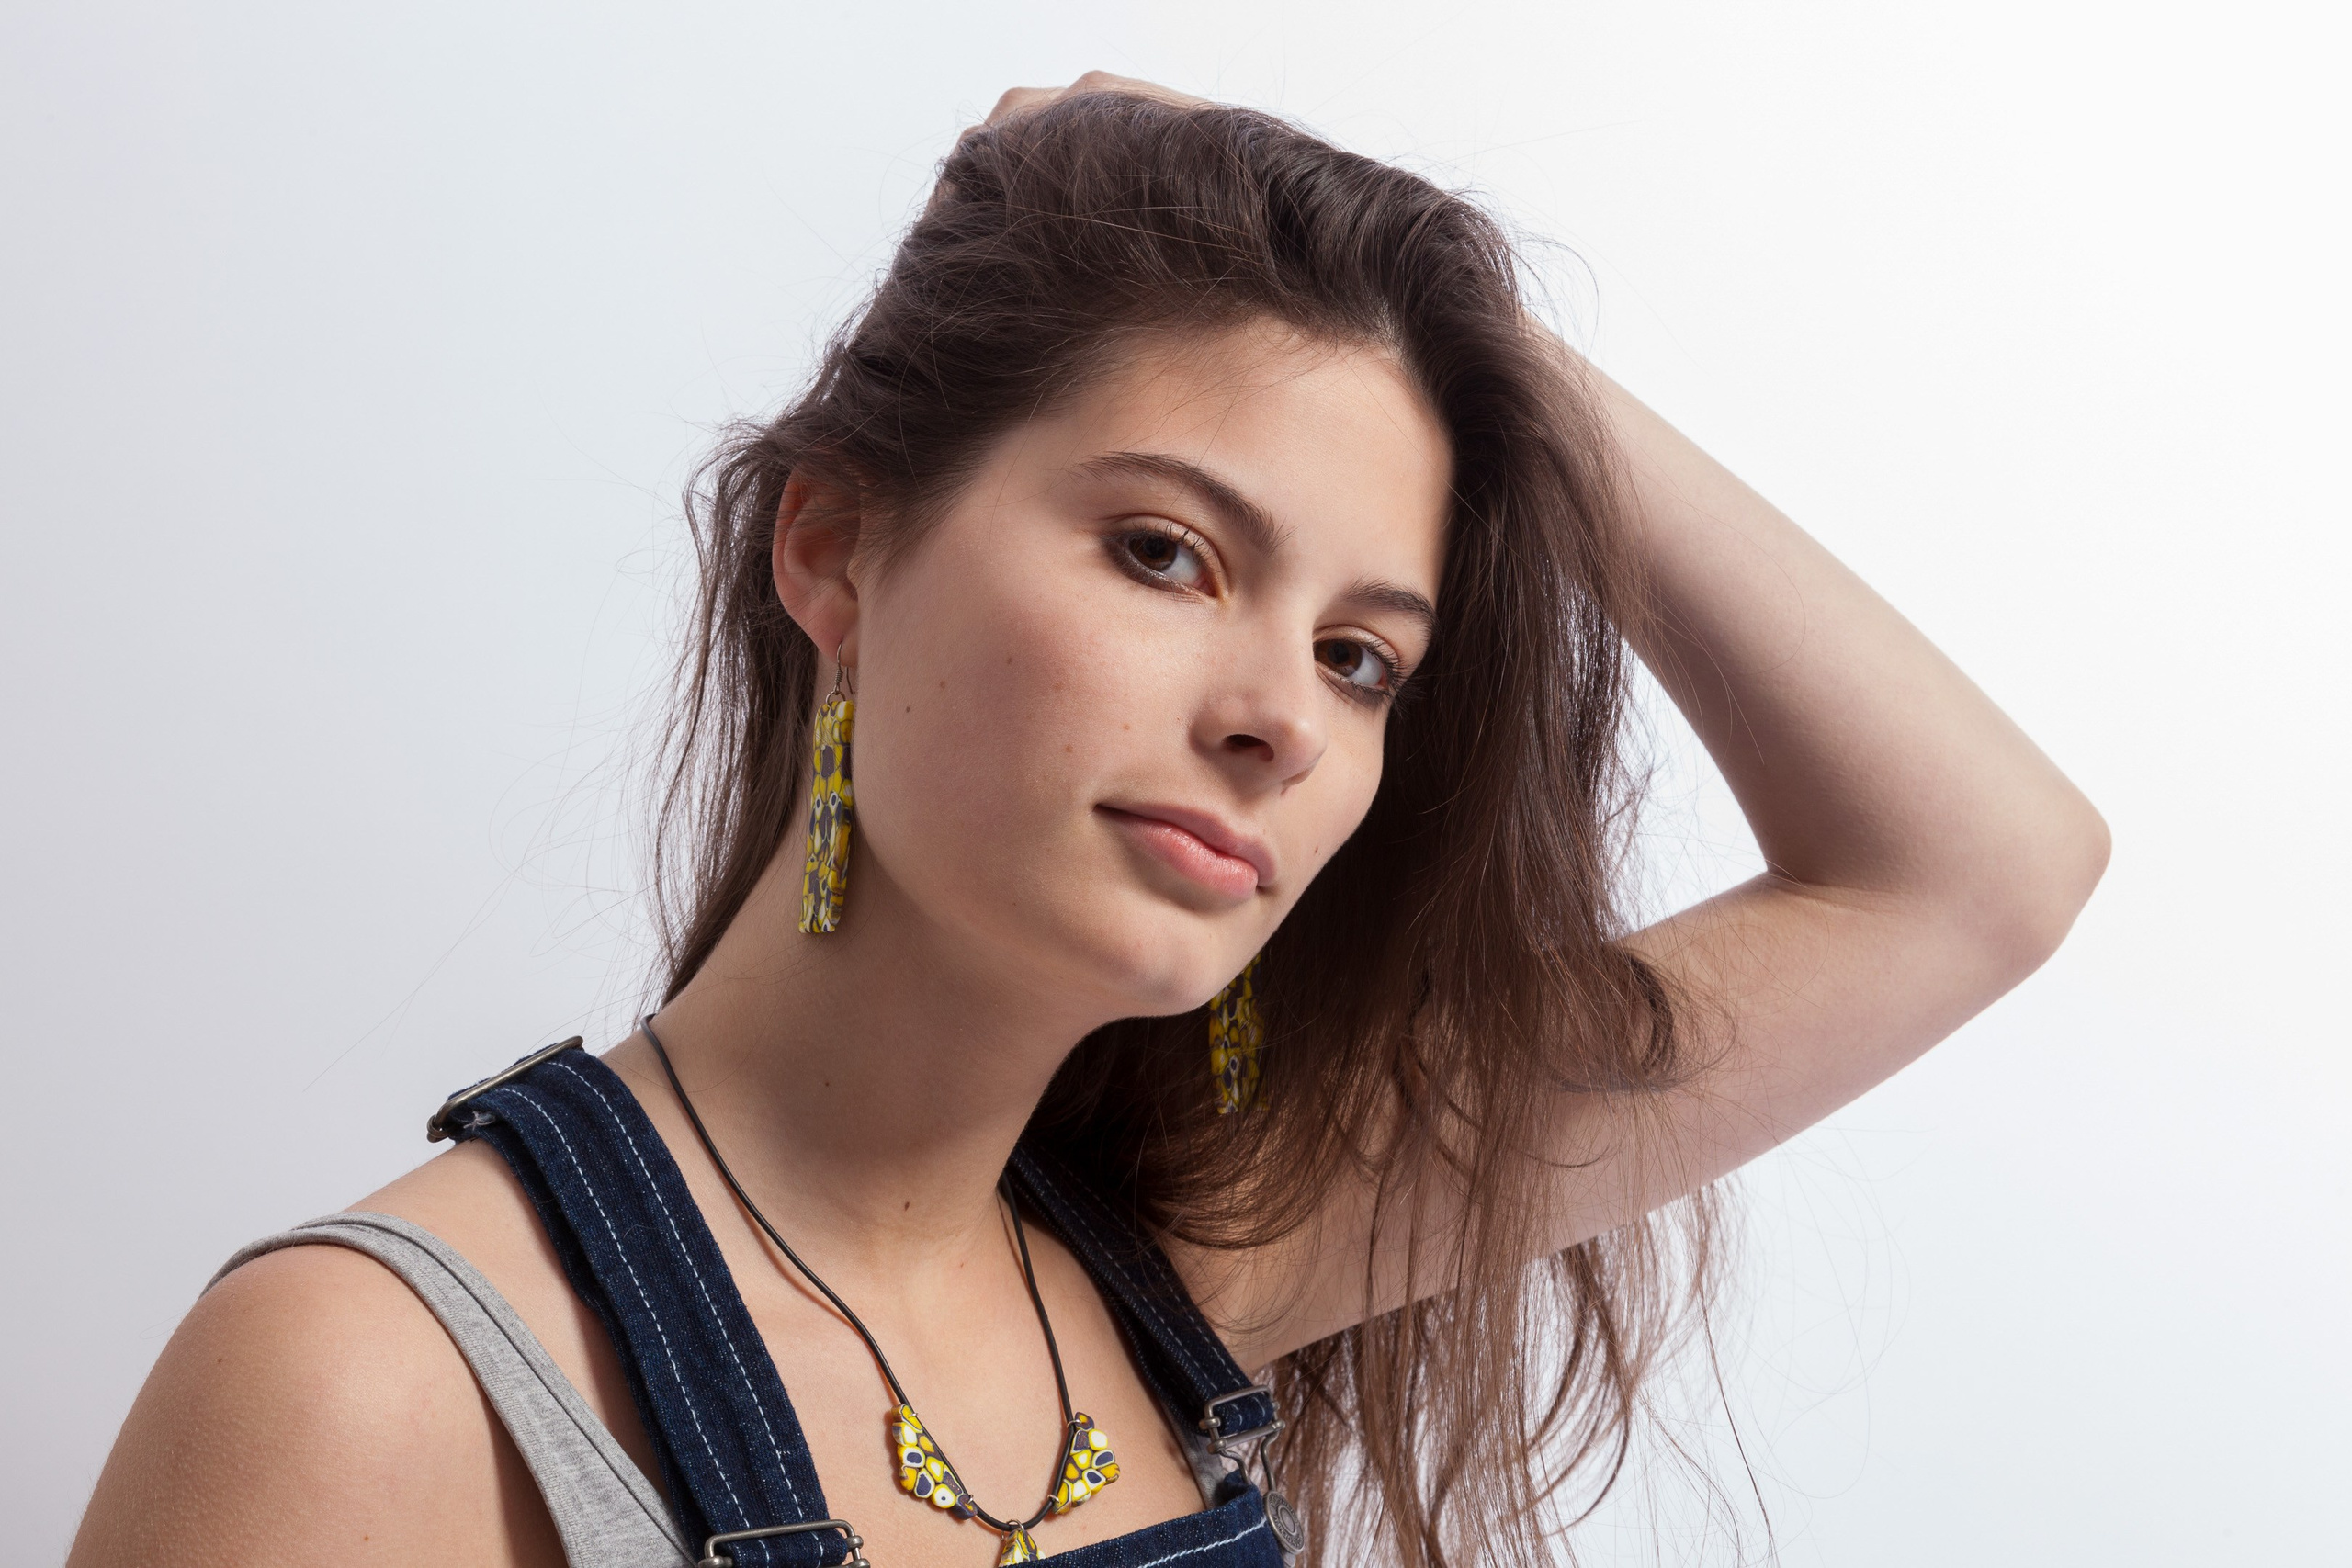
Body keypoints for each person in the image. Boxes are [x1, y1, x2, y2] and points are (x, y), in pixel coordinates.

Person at [66, 74, 2109, 1568]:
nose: (1271, 720)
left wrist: (1479, 356)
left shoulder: (1188, 1252)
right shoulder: (373, 1381)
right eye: (1161, 550)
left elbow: (1975, 867)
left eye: (1360, 656)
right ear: (837, 546)